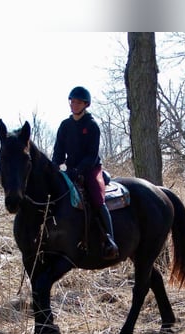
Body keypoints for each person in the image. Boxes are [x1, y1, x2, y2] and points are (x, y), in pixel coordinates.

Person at [52, 86, 119, 260]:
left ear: (85, 104)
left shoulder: (91, 125)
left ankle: (110, 241)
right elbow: (58, 152)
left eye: (78, 102)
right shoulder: (65, 125)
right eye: (72, 101)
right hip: (70, 168)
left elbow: (92, 155)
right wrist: (56, 167)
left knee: (97, 199)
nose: (74, 105)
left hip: (91, 168)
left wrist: (78, 171)